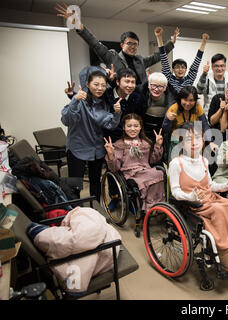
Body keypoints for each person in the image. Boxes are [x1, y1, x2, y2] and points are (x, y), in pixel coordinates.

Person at [168, 122, 228, 274]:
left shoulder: (204, 160)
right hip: (192, 204)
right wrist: (190, 196)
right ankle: (222, 250)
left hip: (210, 198)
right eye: (188, 139)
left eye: (197, 137)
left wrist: (226, 185)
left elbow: (210, 185)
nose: (194, 142)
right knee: (219, 209)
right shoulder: (176, 164)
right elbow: (175, 191)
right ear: (182, 143)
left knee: (226, 203)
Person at [55, 2, 176, 86]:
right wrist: (79, 26)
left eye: (136, 44)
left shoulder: (139, 60)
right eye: (130, 43)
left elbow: (157, 56)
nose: (133, 47)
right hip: (120, 100)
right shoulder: (112, 57)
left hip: (140, 100)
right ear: (122, 45)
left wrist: (171, 43)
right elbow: (95, 44)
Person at [61, 68, 121, 200]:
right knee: (75, 185)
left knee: (96, 183)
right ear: (87, 84)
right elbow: (66, 120)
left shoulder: (104, 103)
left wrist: (117, 114)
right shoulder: (79, 100)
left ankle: (95, 211)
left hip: (96, 148)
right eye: (96, 84)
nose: (100, 88)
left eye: (103, 85)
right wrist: (74, 100)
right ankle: (75, 212)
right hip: (77, 147)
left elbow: (110, 124)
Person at [104, 114, 165, 212]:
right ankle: (147, 206)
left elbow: (153, 160)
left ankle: (155, 203)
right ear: (123, 127)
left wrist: (157, 145)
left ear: (140, 127)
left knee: (160, 173)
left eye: (136, 126)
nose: (133, 129)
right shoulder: (119, 145)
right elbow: (115, 168)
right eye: (129, 126)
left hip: (146, 170)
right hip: (130, 174)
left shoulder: (146, 143)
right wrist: (111, 154)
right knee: (151, 177)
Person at [162, 86, 210, 161]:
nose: (188, 103)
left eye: (191, 100)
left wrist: (211, 141)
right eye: (185, 100)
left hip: (193, 141)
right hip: (177, 141)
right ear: (180, 99)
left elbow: (205, 125)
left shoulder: (198, 107)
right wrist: (168, 120)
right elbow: (165, 130)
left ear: (195, 101)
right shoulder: (174, 108)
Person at [155, 26, 208, 93]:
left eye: (183, 67)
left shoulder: (189, 80)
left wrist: (204, 43)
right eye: (177, 67)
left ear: (186, 70)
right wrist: (159, 37)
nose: (180, 70)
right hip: (172, 103)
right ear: (173, 70)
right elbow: (164, 59)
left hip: (186, 103)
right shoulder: (169, 79)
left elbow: (196, 63)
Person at [140, 72, 174, 142]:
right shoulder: (141, 96)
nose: (156, 89)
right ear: (148, 85)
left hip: (162, 133)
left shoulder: (170, 100)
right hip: (143, 132)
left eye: (160, 86)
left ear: (165, 88)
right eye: (153, 85)